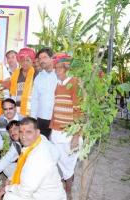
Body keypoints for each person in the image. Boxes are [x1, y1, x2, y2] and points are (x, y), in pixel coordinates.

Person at [0, 117, 66, 200]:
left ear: (37, 132)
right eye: (21, 132)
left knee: (9, 197)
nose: (23, 136)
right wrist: (11, 179)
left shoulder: (38, 156)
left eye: (28, 132)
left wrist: (7, 188)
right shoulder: (32, 145)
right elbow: (14, 163)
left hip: (46, 195)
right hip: (40, 190)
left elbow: (24, 192)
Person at [50, 53, 82, 200]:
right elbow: (55, 108)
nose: (57, 70)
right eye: (55, 67)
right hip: (57, 131)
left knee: (68, 164)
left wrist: (76, 135)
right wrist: (52, 129)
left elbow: (79, 110)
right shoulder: (58, 84)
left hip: (70, 133)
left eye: (59, 68)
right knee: (58, 161)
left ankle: (68, 191)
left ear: (67, 68)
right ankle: (65, 188)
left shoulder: (74, 82)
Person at [30, 47, 58, 139]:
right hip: (41, 119)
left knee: (56, 146)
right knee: (42, 145)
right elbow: (34, 99)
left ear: (52, 58)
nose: (42, 61)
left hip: (57, 118)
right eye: (40, 59)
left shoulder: (60, 75)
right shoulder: (39, 77)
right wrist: (33, 120)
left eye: (45, 57)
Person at [0, 98, 23, 162]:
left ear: (15, 108)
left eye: (10, 108)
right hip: (3, 153)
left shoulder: (23, 121)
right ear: (3, 110)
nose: (8, 111)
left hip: (20, 153)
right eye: (5, 109)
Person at [10, 48, 36, 116]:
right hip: (17, 110)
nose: (25, 63)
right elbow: (12, 94)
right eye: (22, 60)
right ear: (19, 61)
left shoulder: (36, 74)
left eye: (27, 60)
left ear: (32, 61)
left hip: (31, 110)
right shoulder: (15, 74)